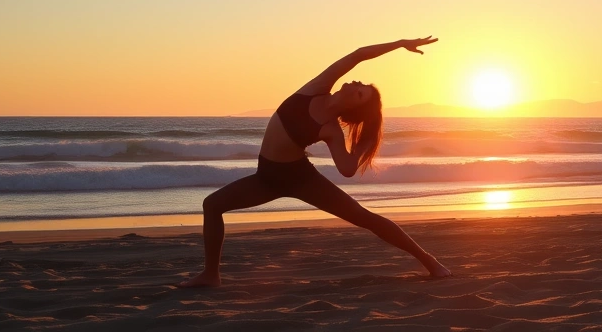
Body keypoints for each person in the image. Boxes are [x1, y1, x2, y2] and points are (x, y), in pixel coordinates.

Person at [178, 37, 452, 287]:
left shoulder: (331, 130)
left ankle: (429, 261)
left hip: (300, 179)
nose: (357, 84)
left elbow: (346, 169)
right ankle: (211, 275)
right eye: (362, 86)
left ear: (354, 108)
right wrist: (401, 43)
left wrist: (364, 143)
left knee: (363, 218)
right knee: (212, 205)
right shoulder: (317, 88)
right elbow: (358, 54)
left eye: (360, 94)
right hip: (266, 178)